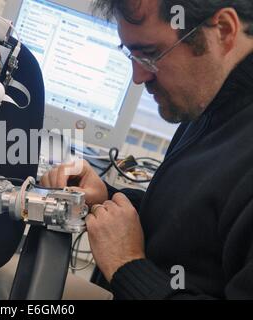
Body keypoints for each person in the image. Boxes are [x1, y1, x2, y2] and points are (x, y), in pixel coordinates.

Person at [41, 0, 253, 299]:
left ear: (223, 31)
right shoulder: (212, 99)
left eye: (151, 55)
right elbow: (194, 232)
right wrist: (109, 198)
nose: (138, 77)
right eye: (131, 53)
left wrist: (125, 265)